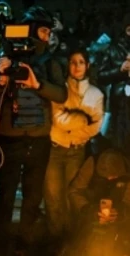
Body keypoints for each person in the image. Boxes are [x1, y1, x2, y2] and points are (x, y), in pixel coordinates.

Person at [0, 6, 68, 256]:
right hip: (10, 140)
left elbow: (62, 95)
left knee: (32, 201)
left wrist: (36, 84)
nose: (47, 36)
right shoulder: (2, 55)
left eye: (48, 31)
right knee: (6, 200)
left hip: (39, 142)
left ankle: (24, 253)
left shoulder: (50, 62)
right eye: (43, 30)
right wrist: (0, 77)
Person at [45, 49, 104, 245]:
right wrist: (82, 118)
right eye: (73, 62)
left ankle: (71, 243)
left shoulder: (96, 94)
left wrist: (77, 123)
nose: (76, 66)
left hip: (77, 150)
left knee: (72, 196)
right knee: (53, 198)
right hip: (55, 149)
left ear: (87, 65)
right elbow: (58, 119)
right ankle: (55, 241)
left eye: (81, 62)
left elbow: (95, 126)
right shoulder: (60, 90)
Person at [66, 149, 130, 256]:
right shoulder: (91, 164)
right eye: (106, 176)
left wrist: (121, 213)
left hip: (118, 223)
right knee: (85, 246)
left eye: (114, 176)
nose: (110, 179)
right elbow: (74, 191)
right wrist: (89, 210)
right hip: (89, 216)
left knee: (118, 247)